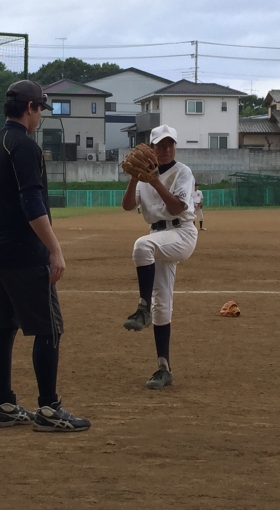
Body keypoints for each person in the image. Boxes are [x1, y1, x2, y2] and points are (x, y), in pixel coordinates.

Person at [0, 80, 90, 432]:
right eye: (40, 108)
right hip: (23, 254)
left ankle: (5, 405)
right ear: (30, 108)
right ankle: (49, 409)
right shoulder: (24, 146)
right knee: (49, 328)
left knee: (4, 327)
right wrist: (55, 248)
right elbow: (31, 202)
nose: (40, 115)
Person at [121, 125, 198, 389]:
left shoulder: (182, 172)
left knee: (142, 246)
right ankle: (164, 369)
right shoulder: (144, 176)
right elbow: (127, 205)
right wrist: (135, 178)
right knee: (162, 303)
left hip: (182, 233)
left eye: (170, 145)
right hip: (159, 235)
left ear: (175, 147)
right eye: (160, 145)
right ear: (152, 149)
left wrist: (154, 180)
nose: (166, 149)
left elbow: (176, 208)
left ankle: (141, 309)